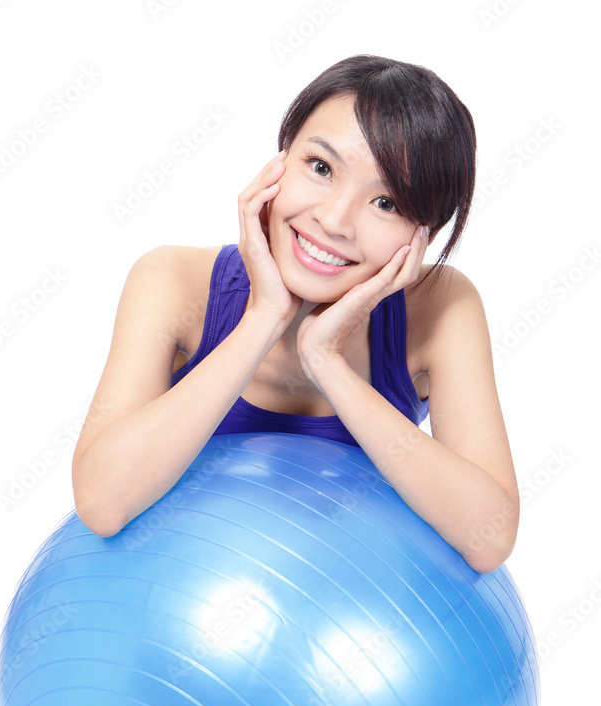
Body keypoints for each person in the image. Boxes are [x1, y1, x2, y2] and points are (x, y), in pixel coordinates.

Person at [72, 54, 519, 574]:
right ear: (278, 162)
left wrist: (324, 357)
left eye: (388, 203)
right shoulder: (171, 280)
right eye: (321, 167)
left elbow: (489, 536)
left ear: (425, 237)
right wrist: (263, 317)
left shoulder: (441, 307)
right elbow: (103, 504)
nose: (333, 220)